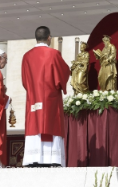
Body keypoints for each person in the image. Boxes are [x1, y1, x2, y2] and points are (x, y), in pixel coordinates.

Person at [21, 26, 70, 167]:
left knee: (35, 124)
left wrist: (33, 90)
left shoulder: (26, 56)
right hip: (51, 100)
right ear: (49, 37)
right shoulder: (54, 54)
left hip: (33, 99)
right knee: (51, 123)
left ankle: (33, 157)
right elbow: (63, 74)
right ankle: (52, 159)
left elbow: (25, 81)